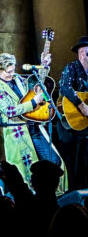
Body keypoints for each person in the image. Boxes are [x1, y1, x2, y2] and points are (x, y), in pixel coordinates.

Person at [0, 52, 67, 192]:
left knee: (53, 161)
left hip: (34, 126)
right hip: (17, 132)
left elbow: (37, 83)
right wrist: (33, 102)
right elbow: (10, 110)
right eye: (8, 72)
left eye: (13, 70)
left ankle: (54, 195)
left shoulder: (18, 79)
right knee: (27, 171)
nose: (12, 74)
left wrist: (45, 65)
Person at [57, 36, 88, 191]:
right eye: (82, 52)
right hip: (70, 125)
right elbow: (65, 88)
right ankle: (72, 189)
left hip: (85, 126)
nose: (84, 55)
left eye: (87, 52)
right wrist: (81, 104)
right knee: (73, 158)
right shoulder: (72, 68)